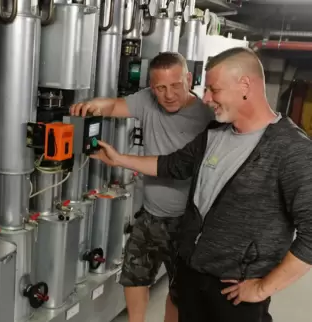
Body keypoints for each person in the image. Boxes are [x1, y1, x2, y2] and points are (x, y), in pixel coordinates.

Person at [90, 46, 312, 322]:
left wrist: (263, 288)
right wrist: (119, 159)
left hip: (234, 293)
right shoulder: (215, 134)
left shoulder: (291, 149)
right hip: (192, 276)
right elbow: (171, 165)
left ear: (245, 85)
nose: (205, 98)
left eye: (213, 90)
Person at [70, 52, 214, 322]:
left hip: (189, 221)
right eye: (160, 88)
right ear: (152, 87)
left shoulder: (207, 116)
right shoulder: (147, 100)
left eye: (175, 86)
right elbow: (112, 106)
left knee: (179, 290)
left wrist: (120, 159)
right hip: (151, 214)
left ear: (189, 79)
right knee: (134, 276)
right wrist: (91, 106)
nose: (168, 94)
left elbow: (174, 165)